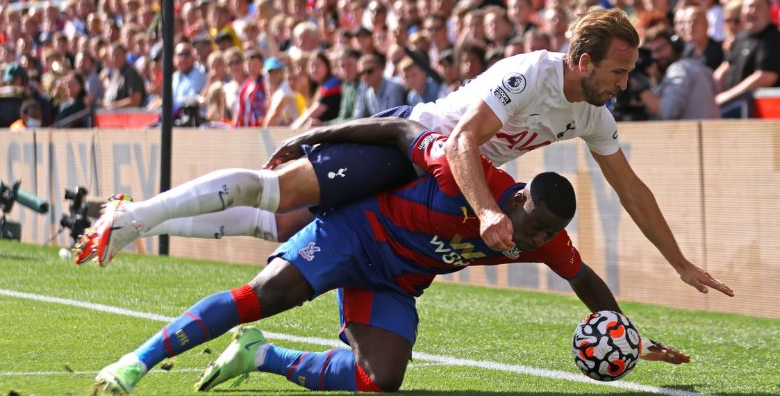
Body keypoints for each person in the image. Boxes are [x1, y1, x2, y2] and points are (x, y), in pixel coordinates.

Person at [74, 9, 734, 298]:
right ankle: (133, 218)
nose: (624, 85)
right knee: (277, 195)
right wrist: (486, 211)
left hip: (452, 179)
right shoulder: (531, 72)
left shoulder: (592, 110)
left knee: (286, 227)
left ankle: (136, 217)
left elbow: (630, 186)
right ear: (582, 60)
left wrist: (678, 262)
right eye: (618, 72)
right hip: (414, 148)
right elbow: (460, 140)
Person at [91, 120, 689, 394]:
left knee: (382, 382)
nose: (531, 241)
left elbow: (584, 280)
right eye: (530, 225)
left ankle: (262, 358)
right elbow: (401, 134)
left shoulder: (546, 238)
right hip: (354, 232)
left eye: (542, 236)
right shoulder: (468, 174)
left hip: (398, 280)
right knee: (264, 295)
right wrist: (319, 137)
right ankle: (134, 365)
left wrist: (629, 335)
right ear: (519, 196)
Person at [638, 28, 721, 120]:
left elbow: (669, 111)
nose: (656, 56)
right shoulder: (692, 65)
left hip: (695, 132)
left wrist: (638, 86)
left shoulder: (679, 69)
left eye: (660, 49)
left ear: (674, 45)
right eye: (651, 52)